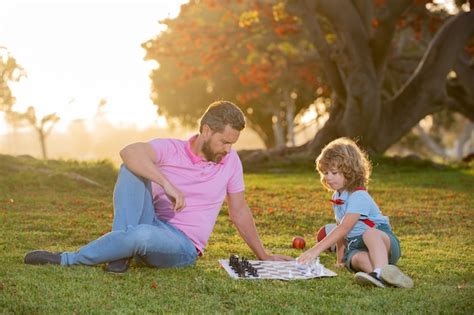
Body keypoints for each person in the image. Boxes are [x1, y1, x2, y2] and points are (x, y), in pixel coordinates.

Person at [25, 100, 292, 272]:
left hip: (181, 245)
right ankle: (121, 255)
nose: (229, 149)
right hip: (152, 222)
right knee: (130, 169)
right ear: (206, 130)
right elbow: (129, 151)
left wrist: (263, 254)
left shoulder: (231, 162)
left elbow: (239, 210)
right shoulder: (171, 149)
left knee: (141, 235)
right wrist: (166, 183)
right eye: (225, 142)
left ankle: (68, 259)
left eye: (233, 143)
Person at [297, 137, 413, 288]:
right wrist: (340, 260)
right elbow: (341, 232)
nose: (328, 177)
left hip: (383, 242)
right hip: (356, 246)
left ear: (350, 172)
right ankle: (388, 277)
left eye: (334, 172)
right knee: (357, 259)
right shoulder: (336, 196)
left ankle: (379, 271)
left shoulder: (358, 195)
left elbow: (344, 227)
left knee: (369, 233)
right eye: (325, 172)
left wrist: (315, 250)